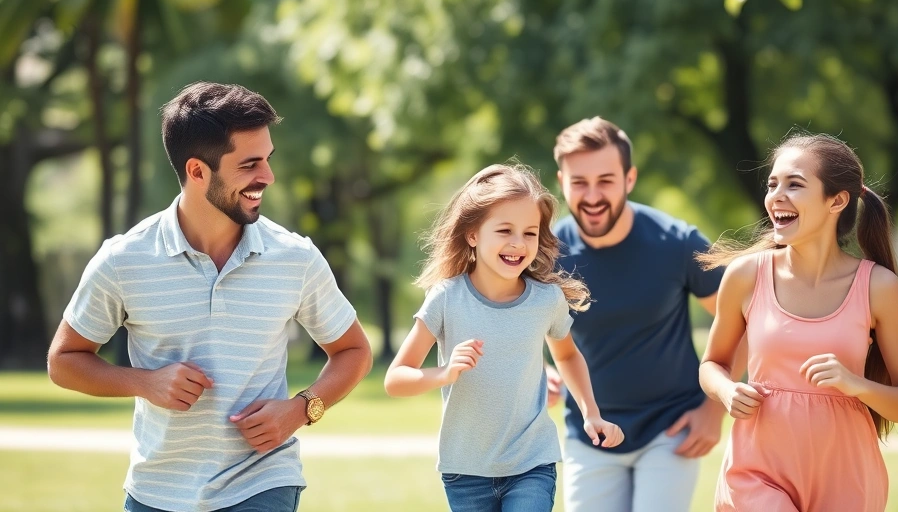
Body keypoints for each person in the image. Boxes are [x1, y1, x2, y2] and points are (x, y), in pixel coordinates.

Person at [47, 82, 374, 512]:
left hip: (262, 482)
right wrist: (145, 383)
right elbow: (63, 361)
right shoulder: (124, 260)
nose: (268, 177)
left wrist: (300, 409)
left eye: (268, 159)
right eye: (250, 164)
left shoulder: (294, 257)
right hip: (156, 490)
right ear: (198, 171)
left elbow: (354, 351)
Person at [698, 132, 898, 511]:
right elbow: (712, 364)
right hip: (757, 471)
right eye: (772, 184)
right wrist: (726, 390)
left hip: (846, 474)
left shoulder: (879, 288)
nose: (776, 196)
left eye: (794, 184)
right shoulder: (745, 275)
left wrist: (855, 384)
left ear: (837, 201)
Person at [384, 163, 624, 512]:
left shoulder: (546, 300)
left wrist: (591, 413)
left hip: (532, 461)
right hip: (466, 470)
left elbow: (568, 355)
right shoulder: (446, 298)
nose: (518, 243)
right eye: (505, 230)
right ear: (472, 235)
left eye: (530, 233)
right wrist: (446, 373)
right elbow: (395, 379)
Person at [548, 117, 742, 512]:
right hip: (590, 431)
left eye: (606, 180)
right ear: (562, 181)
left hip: (670, 430)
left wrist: (713, 409)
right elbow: (515, 324)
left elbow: (746, 323)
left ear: (630, 178)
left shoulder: (678, 242)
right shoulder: (546, 254)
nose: (592, 196)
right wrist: (540, 372)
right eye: (579, 182)